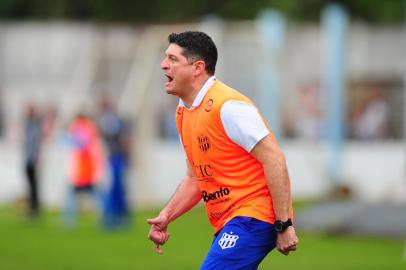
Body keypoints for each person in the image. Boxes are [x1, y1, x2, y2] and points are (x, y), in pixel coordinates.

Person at [147, 31, 298, 269]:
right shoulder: (183, 111)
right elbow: (195, 177)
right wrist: (167, 215)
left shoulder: (227, 106)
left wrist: (284, 225)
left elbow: (275, 159)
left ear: (197, 68)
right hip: (231, 221)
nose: (163, 64)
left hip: (254, 217)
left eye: (173, 59)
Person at [63, 113, 104, 228]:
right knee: (96, 197)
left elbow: (79, 144)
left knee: (71, 196)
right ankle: (104, 219)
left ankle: (69, 222)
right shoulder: (90, 129)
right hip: (86, 172)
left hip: (83, 173)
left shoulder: (82, 129)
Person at [97, 97, 132, 229]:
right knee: (115, 189)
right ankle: (117, 218)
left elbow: (123, 140)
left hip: (115, 158)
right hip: (113, 158)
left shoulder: (111, 120)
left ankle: (115, 218)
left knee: (116, 189)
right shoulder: (109, 120)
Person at [23, 104, 43, 219]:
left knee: (34, 187)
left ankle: (34, 211)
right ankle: (32, 209)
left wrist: (36, 159)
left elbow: (36, 145)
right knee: (31, 186)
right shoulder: (28, 125)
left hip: (32, 160)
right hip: (28, 159)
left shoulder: (35, 126)